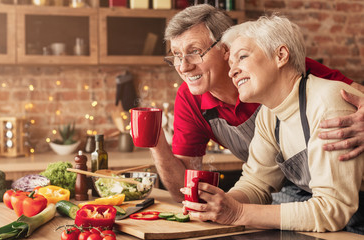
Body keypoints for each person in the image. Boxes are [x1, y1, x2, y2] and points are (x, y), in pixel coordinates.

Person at [151, 4, 364, 203]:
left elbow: (355, 94)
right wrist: (156, 140)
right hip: (286, 188)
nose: (183, 66)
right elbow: (186, 190)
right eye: (177, 56)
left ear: (226, 48)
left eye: (195, 52)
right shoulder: (190, 99)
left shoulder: (281, 72)